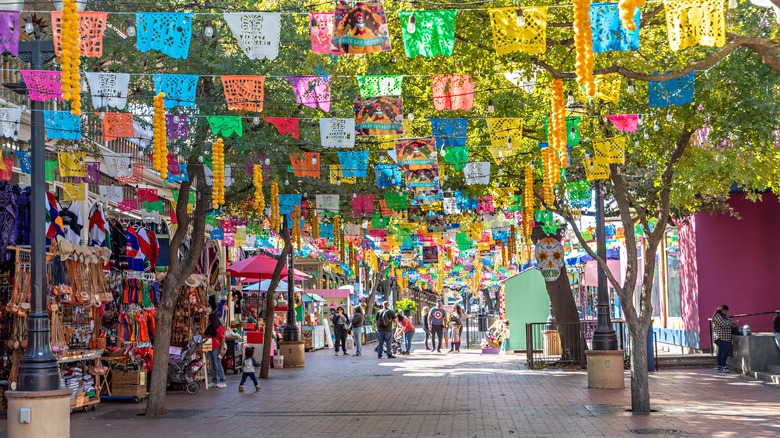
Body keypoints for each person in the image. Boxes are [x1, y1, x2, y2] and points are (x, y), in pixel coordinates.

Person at [712, 305, 738, 373]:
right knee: (725, 351)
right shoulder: (717, 316)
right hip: (719, 337)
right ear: (722, 310)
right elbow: (723, 324)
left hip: (725, 338)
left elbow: (730, 323)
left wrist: (733, 324)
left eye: (727, 311)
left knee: (721, 352)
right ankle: (724, 366)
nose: (726, 312)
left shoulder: (725, 317)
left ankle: (719, 366)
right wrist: (731, 323)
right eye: (725, 311)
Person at [204, 313, 227, 387]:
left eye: (209, 319)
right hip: (210, 347)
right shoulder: (210, 327)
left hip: (216, 348)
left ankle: (222, 381)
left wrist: (222, 348)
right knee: (212, 364)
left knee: (217, 364)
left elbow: (223, 338)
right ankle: (214, 380)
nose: (208, 320)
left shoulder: (220, 328)